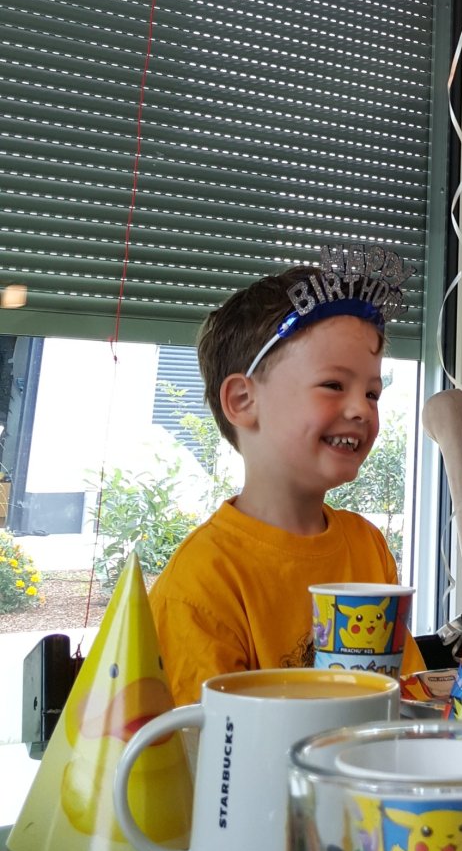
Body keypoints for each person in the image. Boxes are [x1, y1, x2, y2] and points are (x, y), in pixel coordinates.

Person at [150, 244, 413, 705]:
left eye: (372, 393)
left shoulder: (368, 546)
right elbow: (208, 742)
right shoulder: (200, 583)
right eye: (334, 385)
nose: (361, 409)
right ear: (243, 401)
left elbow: (403, 699)